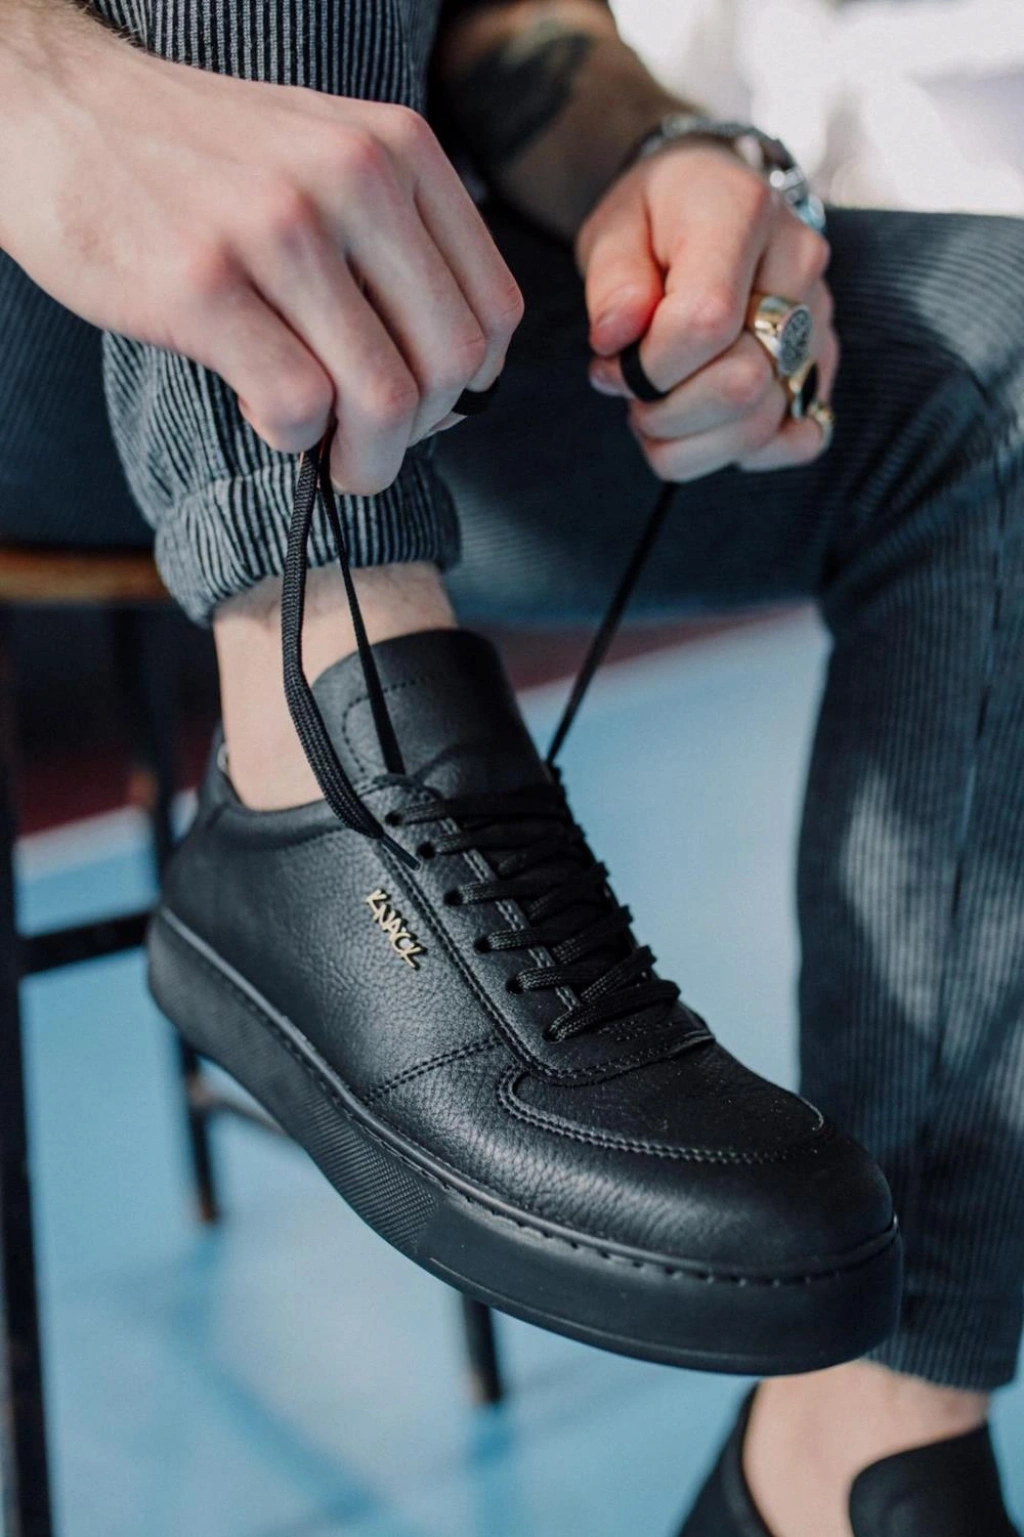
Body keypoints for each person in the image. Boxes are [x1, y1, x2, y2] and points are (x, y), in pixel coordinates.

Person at [1, 0, 1022, 1531]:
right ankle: (315, 748)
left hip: (392, 285)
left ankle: (846, 1462)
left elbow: (496, 28)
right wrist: (40, 80)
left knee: (998, 359)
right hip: (37, 280)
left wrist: (661, 153)